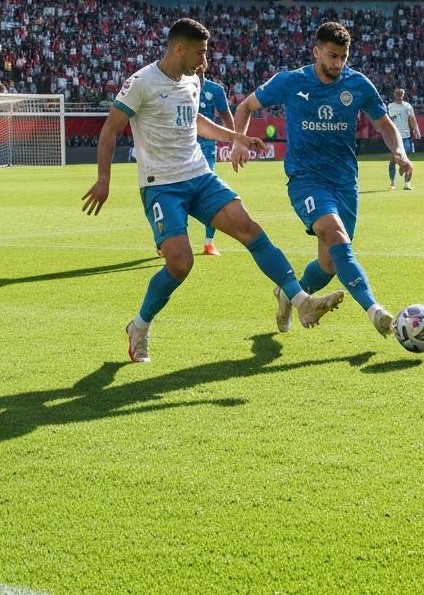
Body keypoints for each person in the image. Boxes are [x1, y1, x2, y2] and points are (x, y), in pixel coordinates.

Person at [82, 18, 345, 364]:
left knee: (250, 229)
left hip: (199, 176)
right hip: (161, 186)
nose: (204, 61)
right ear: (179, 49)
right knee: (180, 263)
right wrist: (104, 180)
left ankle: (301, 303)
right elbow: (110, 129)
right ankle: (140, 327)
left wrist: (234, 137)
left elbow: (195, 122)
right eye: (200, 53)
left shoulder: (193, 79)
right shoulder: (141, 82)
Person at [231, 21, 411, 341]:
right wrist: (237, 141)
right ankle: (376, 312)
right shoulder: (290, 82)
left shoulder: (358, 85)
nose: (337, 64)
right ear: (316, 52)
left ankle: (289, 295)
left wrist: (399, 151)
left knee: (329, 265)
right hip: (306, 179)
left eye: (343, 57)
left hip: (344, 182)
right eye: (331, 56)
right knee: (335, 232)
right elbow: (246, 106)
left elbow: (384, 124)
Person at [196, 63, 233, 256]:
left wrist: (236, 141)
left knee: (209, 196)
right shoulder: (176, 88)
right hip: (180, 149)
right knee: (173, 193)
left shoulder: (215, 90)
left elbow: (227, 117)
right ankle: (164, 242)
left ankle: (209, 243)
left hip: (207, 149)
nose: (198, 66)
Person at [386, 87, 421, 190]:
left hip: (406, 137)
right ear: (395, 95)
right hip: (394, 137)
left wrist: (416, 130)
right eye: (398, 93)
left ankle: (406, 184)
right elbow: (387, 120)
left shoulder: (407, 106)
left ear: (403, 95)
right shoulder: (390, 106)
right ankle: (392, 183)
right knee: (393, 159)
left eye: (401, 93)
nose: (399, 95)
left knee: (405, 160)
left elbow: (412, 119)